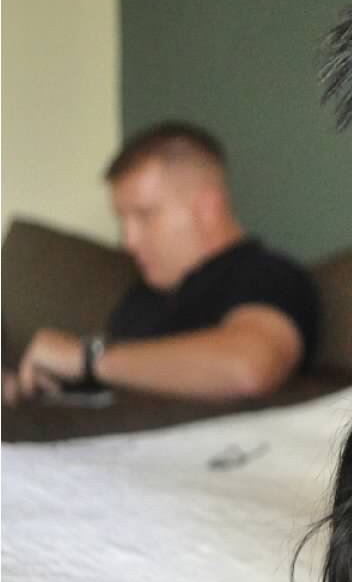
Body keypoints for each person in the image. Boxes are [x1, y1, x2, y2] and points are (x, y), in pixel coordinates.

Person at [6, 123, 319, 406]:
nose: (128, 240)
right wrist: (25, 389)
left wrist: (88, 359)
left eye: (144, 215)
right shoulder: (142, 296)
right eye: (123, 221)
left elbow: (248, 367)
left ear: (206, 208)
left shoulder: (266, 273)